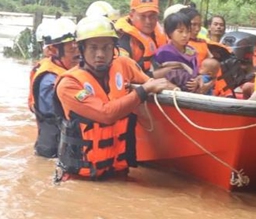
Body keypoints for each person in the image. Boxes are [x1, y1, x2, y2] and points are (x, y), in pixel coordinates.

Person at [54, 16, 173, 181]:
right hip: (81, 179)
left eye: (106, 47)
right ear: (81, 49)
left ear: (114, 48)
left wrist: (174, 89)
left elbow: (151, 82)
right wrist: (143, 92)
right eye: (93, 48)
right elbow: (106, 114)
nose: (100, 54)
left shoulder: (124, 64)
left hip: (117, 173)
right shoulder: (69, 84)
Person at [28, 18, 80, 158]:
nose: (78, 53)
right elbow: (64, 114)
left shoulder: (66, 70)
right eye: (71, 49)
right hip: (53, 150)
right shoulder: (49, 80)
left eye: (78, 46)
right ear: (53, 50)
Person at [115, 0, 168, 73]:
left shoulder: (159, 33)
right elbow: (124, 75)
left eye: (152, 16)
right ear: (132, 15)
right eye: (143, 16)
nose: (148, 21)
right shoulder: (123, 40)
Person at [153, 11, 205, 93]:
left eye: (188, 31)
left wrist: (197, 80)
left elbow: (196, 73)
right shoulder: (164, 52)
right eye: (180, 31)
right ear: (169, 33)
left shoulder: (191, 51)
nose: (185, 35)